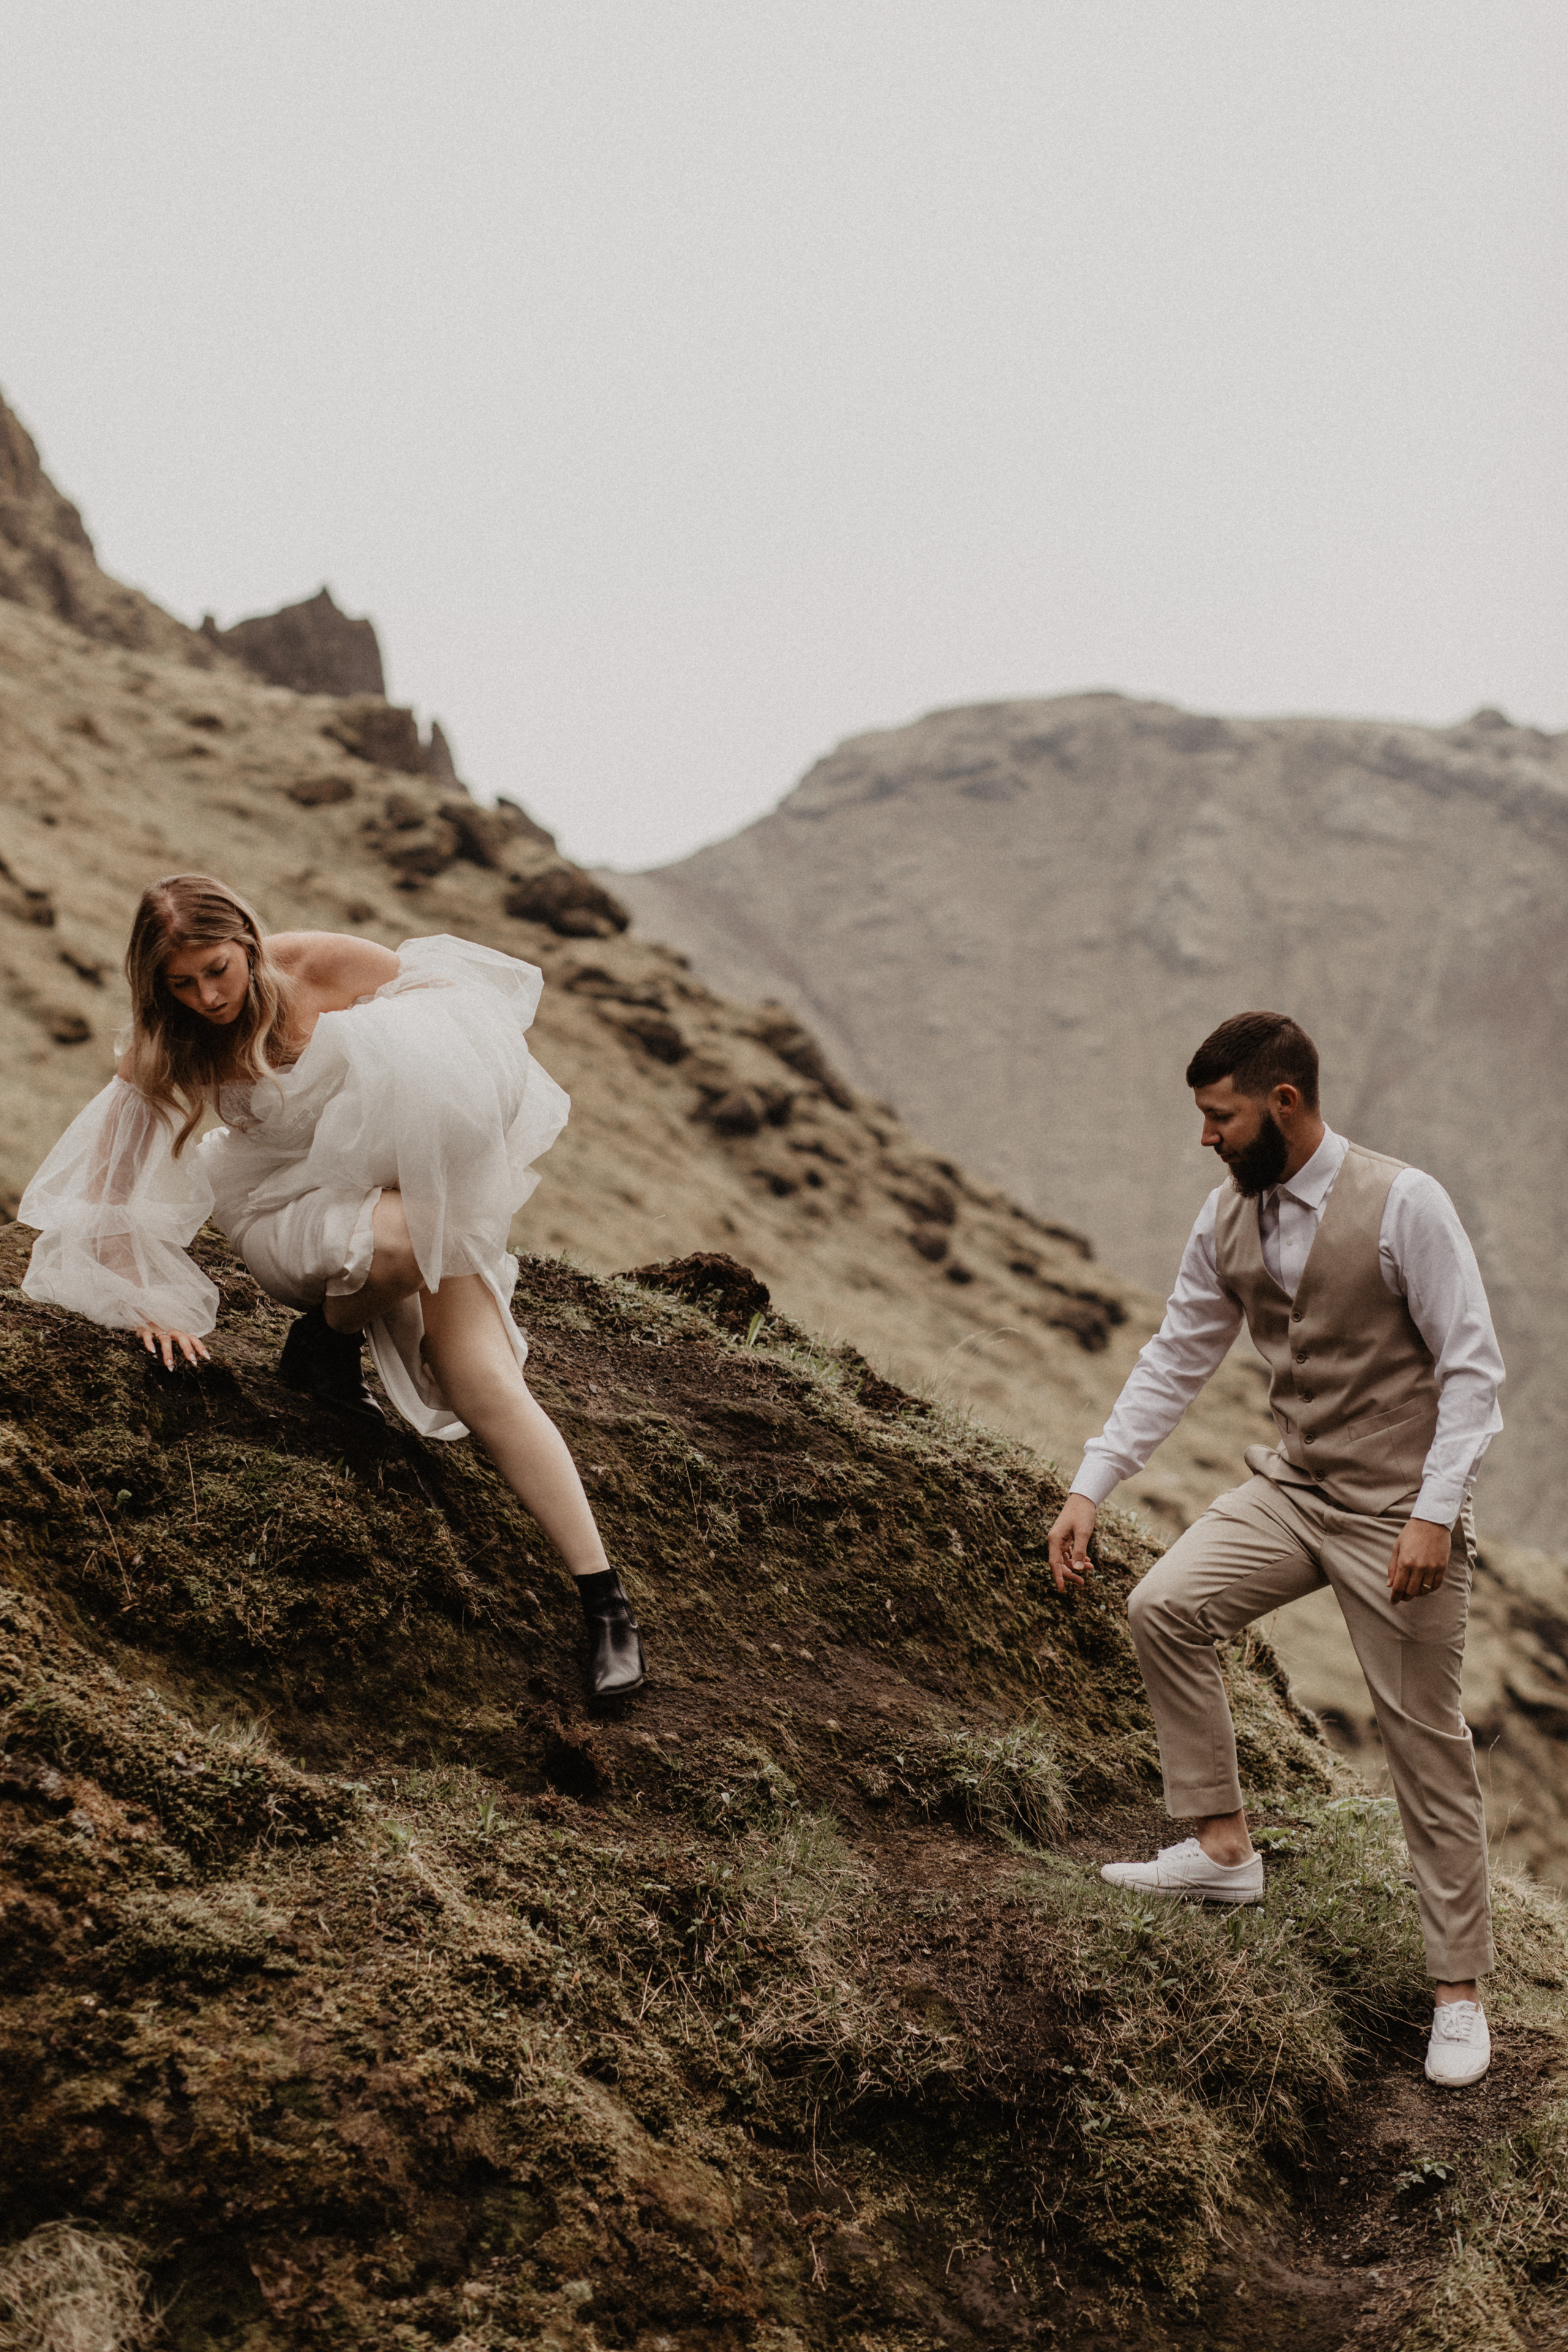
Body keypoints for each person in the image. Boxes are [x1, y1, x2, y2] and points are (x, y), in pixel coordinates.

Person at [18, 873, 644, 1700]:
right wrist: (143, 1302)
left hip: (414, 1193)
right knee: (411, 1232)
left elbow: (467, 1033)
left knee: (481, 1381)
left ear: (246, 942)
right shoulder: (169, 1042)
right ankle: (327, 1331)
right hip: (290, 1211)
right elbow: (104, 1191)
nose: (207, 996)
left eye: (218, 970)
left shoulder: (323, 964)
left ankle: (607, 1605)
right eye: (182, 982)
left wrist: (443, 1136)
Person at [1046, 1011, 1504, 2089]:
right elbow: (1177, 1355)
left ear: (1282, 1104)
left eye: (1220, 1116)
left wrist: (1436, 1511)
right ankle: (1219, 1853)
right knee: (1166, 1604)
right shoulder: (1226, 1216)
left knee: (1422, 1737)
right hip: (1296, 1487)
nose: (1206, 1137)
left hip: (1402, 1509)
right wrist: (1091, 1483)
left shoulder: (1405, 1203)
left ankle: (1459, 1992)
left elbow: (1474, 1371)